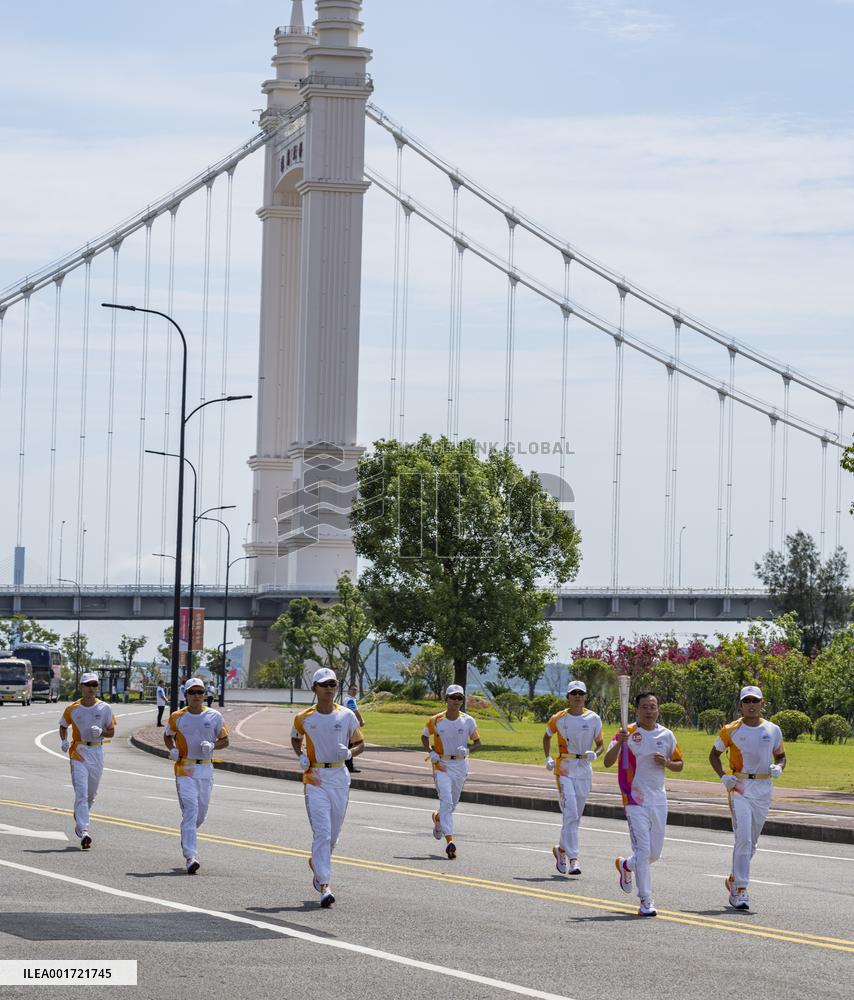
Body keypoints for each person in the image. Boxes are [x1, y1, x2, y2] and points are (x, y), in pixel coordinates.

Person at [603, 691, 683, 917]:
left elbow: (680, 764)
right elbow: (608, 762)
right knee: (644, 850)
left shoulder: (666, 735)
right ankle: (646, 900)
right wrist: (620, 742)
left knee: (653, 854)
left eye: (653, 707)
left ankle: (627, 865)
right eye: (645, 707)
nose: (649, 711)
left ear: (658, 710)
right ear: (636, 710)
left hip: (658, 799)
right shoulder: (626, 732)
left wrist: (666, 762)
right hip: (634, 799)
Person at [708, 685, 786, 911]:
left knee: (752, 841)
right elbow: (713, 755)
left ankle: (734, 878)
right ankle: (740, 889)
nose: (751, 705)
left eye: (756, 701)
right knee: (743, 837)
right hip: (740, 786)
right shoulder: (730, 730)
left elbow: (781, 756)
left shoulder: (773, 730)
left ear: (762, 704)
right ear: (741, 705)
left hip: (763, 786)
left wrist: (778, 767)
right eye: (747, 701)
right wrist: (723, 776)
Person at [291, 667, 364, 908]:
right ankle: (324, 885)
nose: (330, 688)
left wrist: (350, 752)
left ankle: (317, 863)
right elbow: (295, 737)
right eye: (324, 684)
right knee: (322, 832)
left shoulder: (346, 715)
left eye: (333, 684)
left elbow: (360, 743)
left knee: (333, 835)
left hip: (339, 776)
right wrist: (300, 754)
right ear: (315, 689)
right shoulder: (304, 717)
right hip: (315, 777)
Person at [164, 676, 229, 875]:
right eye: (193, 692)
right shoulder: (177, 716)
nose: (197, 695)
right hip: (185, 768)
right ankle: (191, 856)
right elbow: (168, 735)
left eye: (200, 692)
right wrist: (172, 749)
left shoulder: (214, 716)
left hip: (206, 769)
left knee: (199, 814)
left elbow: (225, 740)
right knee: (191, 810)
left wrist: (213, 746)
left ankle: (187, 831)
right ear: (186, 695)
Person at [543, 680, 604, 876]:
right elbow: (547, 736)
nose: (577, 696)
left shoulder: (594, 718)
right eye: (574, 693)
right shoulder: (559, 718)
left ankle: (561, 849)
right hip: (565, 768)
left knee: (575, 816)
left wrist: (596, 753)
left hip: (584, 769)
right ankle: (574, 859)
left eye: (581, 693)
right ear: (568, 697)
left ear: (586, 696)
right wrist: (548, 757)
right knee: (570, 813)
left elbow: (601, 744)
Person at [421, 684, 482, 860]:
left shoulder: (468, 721)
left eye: (459, 698)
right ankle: (450, 841)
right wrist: (431, 752)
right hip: (442, 765)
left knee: (452, 804)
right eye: (453, 697)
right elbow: (424, 736)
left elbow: (478, 742)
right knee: (447, 801)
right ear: (446, 699)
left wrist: (469, 750)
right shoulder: (436, 720)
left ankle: (439, 818)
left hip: (461, 765)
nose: (456, 701)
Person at [58, 672, 117, 851]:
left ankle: (80, 815)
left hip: (97, 752)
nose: (91, 688)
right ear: (81, 687)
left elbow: (111, 732)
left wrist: (100, 732)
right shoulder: (73, 708)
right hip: (79, 751)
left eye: (94, 685)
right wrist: (63, 740)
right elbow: (63, 725)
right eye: (87, 685)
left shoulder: (104, 708)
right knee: (82, 793)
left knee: (91, 794)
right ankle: (84, 830)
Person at [343, 684, 364, 773]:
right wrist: (361, 721)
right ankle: (349, 766)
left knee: (349, 745)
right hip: (351, 726)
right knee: (355, 745)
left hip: (348, 725)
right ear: (348, 690)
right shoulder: (350, 700)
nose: (354, 691)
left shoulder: (348, 699)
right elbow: (355, 711)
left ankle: (348, 765)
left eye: (356, 690)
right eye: (352, 690)